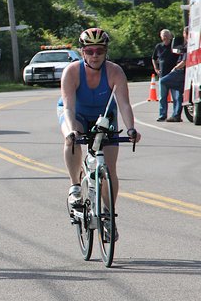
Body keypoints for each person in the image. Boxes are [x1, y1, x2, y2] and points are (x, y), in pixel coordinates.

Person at [58, 28, 141, 238]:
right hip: (76, 113)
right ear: (82, 52)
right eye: (90, 51)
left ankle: (108, 215)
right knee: (72, 137)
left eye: (100, 51)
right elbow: (68, 107)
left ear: (106, 52)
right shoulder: (72, 72)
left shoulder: (115, 72)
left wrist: (131, 128)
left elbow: (124, 104)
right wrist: (70, 132)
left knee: (109, 169)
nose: (95, 55)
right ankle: (75, 186)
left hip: (105, 116)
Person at [158, 26, 188, 122]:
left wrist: (175, 68)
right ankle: (174, 115)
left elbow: (185, 60)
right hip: (177, 71)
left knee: (164, 82)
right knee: (177, 94)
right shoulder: (185, 45)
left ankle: (176, 115)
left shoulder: (189, 45)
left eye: (184, 33)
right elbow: (154, 58)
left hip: (180, 71)